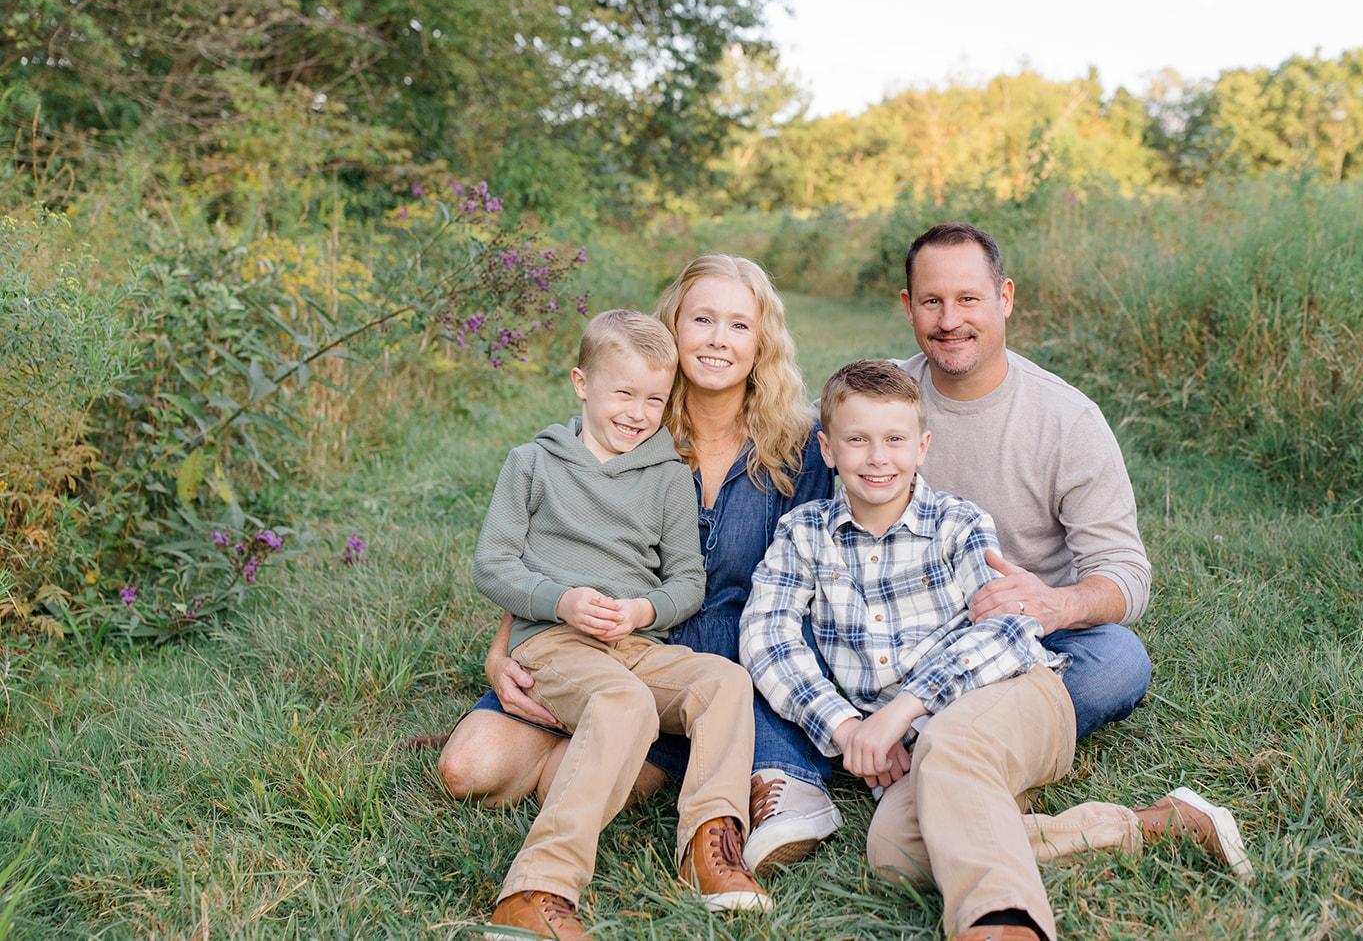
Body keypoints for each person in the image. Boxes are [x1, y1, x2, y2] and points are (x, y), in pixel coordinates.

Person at [740, 360, 1253, 941]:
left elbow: (1005, 629)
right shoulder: (803, 533)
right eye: (857, 440)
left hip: (1010, 695)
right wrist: (846, 728)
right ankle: (1158, 825)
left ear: (922, 445)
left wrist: (899, 713)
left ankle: (1001, 923)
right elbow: (767, 633)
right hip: (910, 744)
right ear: (828, 450)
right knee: (896, 852)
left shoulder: (958, 523)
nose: (877, 457)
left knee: (950, 739)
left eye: (894, 439)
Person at [436, 256, 842, 883]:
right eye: (701, 319)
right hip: (587, 642)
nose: (717, 339)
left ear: (763, 342)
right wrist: (504, 645)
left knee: (591, 770)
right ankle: (592, 750)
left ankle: (697, 803)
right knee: (468, 768)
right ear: (671, 327)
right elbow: (555, 540)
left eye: (739, 325)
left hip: (706, 667)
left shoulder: (799, 446)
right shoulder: (631, 421)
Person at [470, 308, 769, 940]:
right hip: (552, 642)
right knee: (623, 701)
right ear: (582, 384)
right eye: (623, 393)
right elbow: (493, 565)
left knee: (722, 682)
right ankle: (536, 889)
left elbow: (689, 581)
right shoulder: (532, 463)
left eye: (655, 399)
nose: (637, 411)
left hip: (633, 641)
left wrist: (642, 611)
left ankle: (706, 849)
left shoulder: (666, 478)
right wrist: (560, 600)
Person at [896, 223, 1154, 743]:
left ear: (1005, 297)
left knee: (1118, 661)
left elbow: (1125, 573)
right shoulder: (882, 397)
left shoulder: (1068, 420)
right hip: (901, 626)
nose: (950, 321)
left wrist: (1058, 605)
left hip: (1021, 640)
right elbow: (782, 435)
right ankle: (969, 733)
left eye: (968, 298)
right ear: (909, 306)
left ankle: (924, 731)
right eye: (932, 301)